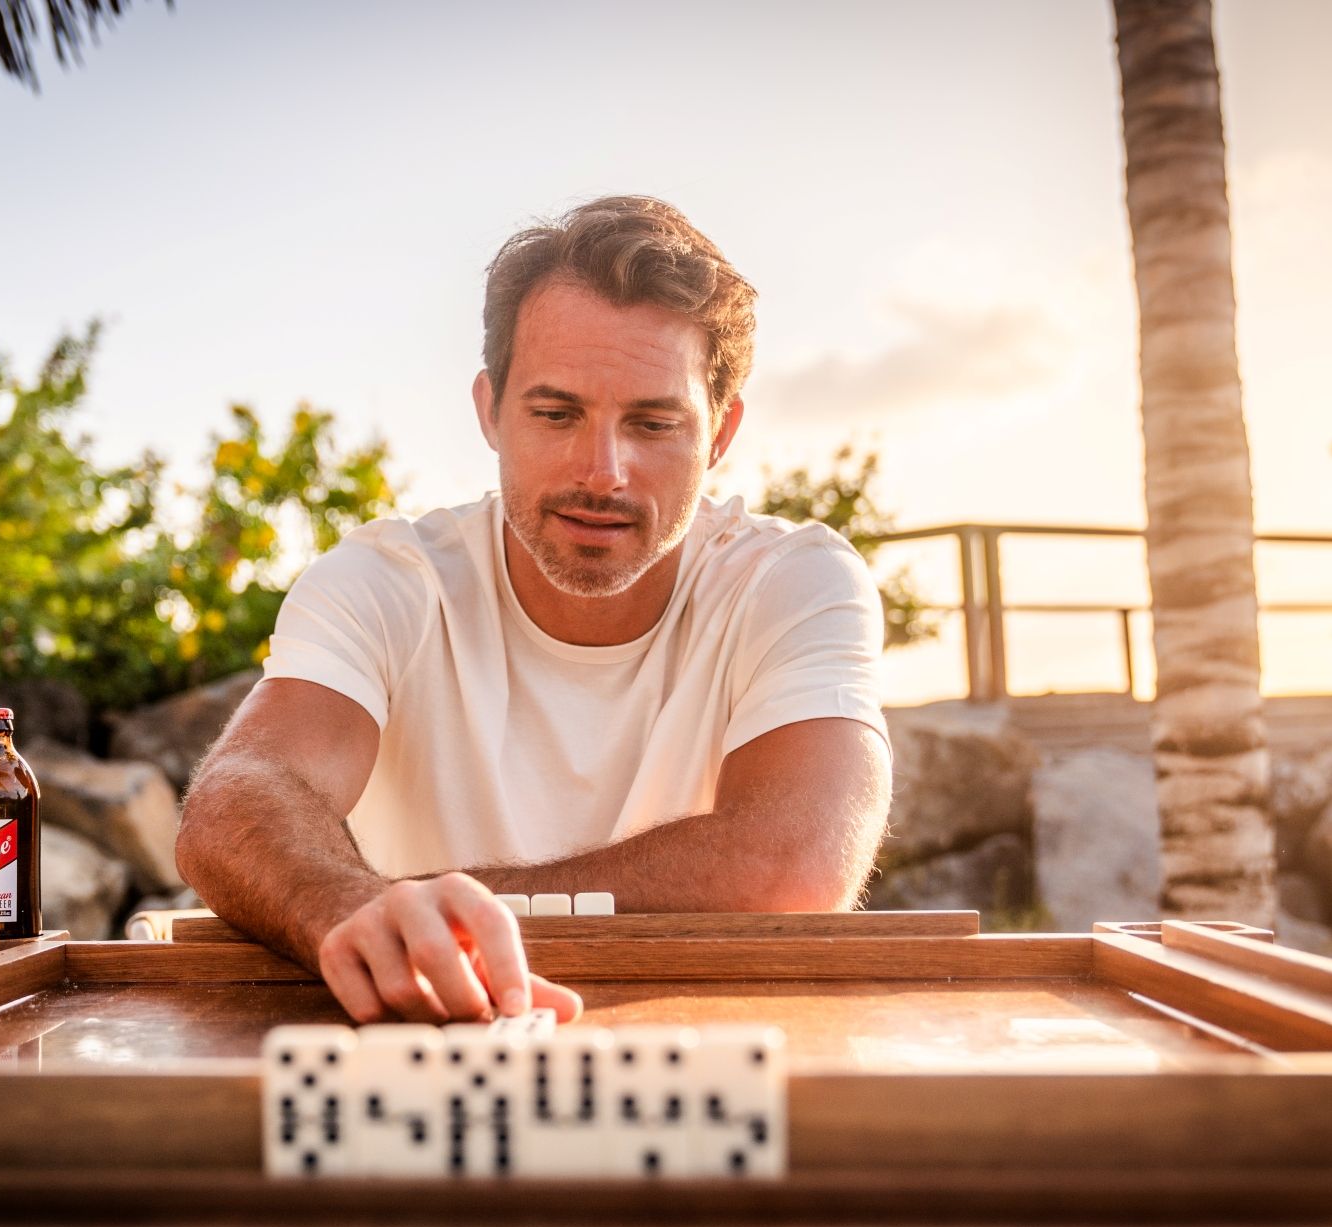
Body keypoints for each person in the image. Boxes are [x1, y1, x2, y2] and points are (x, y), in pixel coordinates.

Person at [175, 196, 893, 1026]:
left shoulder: (794, 579)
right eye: (556, 415)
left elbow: (798, 862)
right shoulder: (386, 580)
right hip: (426, 1046)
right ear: (490, 410)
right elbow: (238, 795)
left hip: (703, 1044)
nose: (603, 472)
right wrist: (343, 906)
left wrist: (432, 909)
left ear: (721, 433)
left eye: (654, 423)